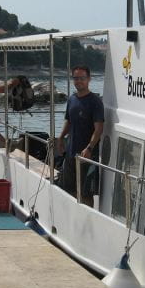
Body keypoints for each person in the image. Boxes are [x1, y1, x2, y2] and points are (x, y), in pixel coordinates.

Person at [56, 65, 104, 206]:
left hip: (87, 156)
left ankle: (88, 221)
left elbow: (99, 128)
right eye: (76, 78)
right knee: (68, 189)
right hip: (71, 153)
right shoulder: (72, 99)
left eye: (82, 78)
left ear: (89, 79)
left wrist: (89, 148)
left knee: (85, 193)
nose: (79, 81)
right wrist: (60, 138)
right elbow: (68, 121)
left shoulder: (95, 102)